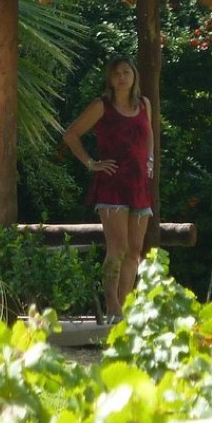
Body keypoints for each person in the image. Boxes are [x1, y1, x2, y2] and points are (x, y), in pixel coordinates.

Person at [62, 56, 154, 319]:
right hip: (112, 184)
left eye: (126, 72)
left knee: (135, 251)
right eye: (116, 73)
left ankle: (124, 308)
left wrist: (150, 163)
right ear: (110, 78)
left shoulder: (144, 104)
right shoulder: (102, 106)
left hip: (138, 185)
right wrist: (91, 163)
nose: (122, 77)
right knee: (118, 248)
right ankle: (112, 304)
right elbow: (71, 134)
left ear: (134, 75)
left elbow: (150, 137)